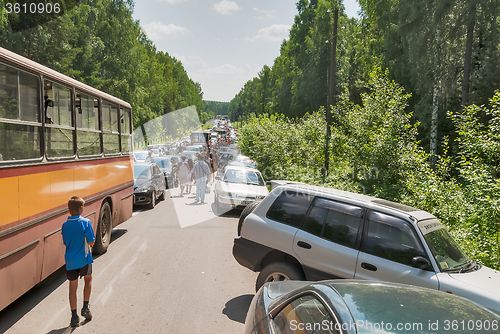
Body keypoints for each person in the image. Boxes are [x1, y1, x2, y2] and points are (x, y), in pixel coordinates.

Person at [61, 196, 95, 327]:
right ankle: (85, 307)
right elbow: (91, 241)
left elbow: (65, 242)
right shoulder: (86, 222)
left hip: (70, 261)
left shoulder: (64, 225)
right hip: (84, 258)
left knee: (72, 287)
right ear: (81, 208)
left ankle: (74, 316)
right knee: (88, 280)